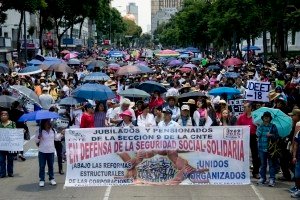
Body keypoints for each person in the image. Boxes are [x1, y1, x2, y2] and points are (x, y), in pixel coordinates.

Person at [34, 119, 64, 187]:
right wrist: (39, 137)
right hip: (42, 151)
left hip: (51, 151)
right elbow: (36, 141)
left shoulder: (53, 130)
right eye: (47, 122)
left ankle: (52, 179)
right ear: (44, 123)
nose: (49, 124)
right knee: (42, 166)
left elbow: (56, 138)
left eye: (49, 122)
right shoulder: (39, 131)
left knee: (51, 166)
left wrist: (62, 134)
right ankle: (42, 180)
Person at [236, 102, 260, 179]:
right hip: (244, 137)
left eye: (245, 107)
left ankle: (256, 172)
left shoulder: (255, 117)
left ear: (250, 108)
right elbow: (238, 128)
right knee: (243, 155)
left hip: (253, 137)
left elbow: (259, 127)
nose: (244, 108)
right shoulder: (241, 117)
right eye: (244, 107)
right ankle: (243, 171)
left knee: (255, 155)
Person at [256, 111, 279, 187]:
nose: (266, 118)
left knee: (271, 164)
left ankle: (272, 179)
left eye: (267, 117)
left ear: (270, 118)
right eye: (265, 117)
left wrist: (271, 135)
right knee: (263, 164)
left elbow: (277, 137)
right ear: (263, 118)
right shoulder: (261, 126)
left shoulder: (273, 126)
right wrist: (259, 127)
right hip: (261, 148)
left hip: (270, 149)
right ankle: (263, 178)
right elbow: (257, 134)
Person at [0, 110, 16, 178]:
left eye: (5, 114)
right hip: (1, 146)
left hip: (10, 146)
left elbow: (15, 133)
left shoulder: (12, 123)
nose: (4, 116)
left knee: (10, 160)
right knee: (1, 160)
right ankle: (2, 173)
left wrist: (21, 132)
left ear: (8, 116)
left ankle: (10, 172)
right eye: (2, 115)